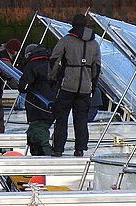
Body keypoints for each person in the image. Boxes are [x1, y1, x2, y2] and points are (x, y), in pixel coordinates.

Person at [49, 13, 101, 157]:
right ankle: (80, 149)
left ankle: (58, 149)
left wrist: (52, 78)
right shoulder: (95, 44)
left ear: (72, 25)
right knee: (81, 119)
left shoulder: (66, 40)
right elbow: (97, 67)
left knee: (61, 117)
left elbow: (54, 60)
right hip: (85, 87)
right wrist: (93, 84)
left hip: (67, 85)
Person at [18, 44, 55, 156]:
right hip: (52, 103)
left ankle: (46, 158)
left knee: (38, 135)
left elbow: (24, 86)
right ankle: (39, 155)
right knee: (34, 133)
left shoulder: (32, 65)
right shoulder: (50, 63)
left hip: (39, 106)